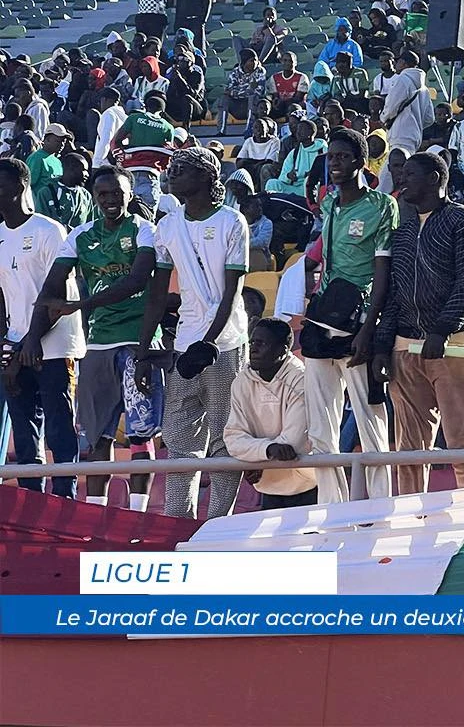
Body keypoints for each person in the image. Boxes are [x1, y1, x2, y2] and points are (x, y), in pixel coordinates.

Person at [134, 147, 249, 519]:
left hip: (225, 345)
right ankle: (177, 525)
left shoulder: (233, 221)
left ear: (205, 177)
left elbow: (232, 291)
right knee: (179, 441)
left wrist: (210, 342)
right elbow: (157, 291)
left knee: (223, 439)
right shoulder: (167, 226)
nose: (171, 174)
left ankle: (218, 525)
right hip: (185, 345)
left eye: (181, 169)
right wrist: (143, 348)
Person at [40, 166, 162, 509]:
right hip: (98, 343)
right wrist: (41, 317)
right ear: (94, 197)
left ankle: (137, 515)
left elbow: (137, 280)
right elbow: (52, 284)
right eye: (103, 194)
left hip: (138, 340)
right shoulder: (79, 235)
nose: (110, 200)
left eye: (117, 193)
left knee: (141, 434)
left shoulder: (143, 229)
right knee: (97, 437)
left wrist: (79, 303)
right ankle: (96, 513)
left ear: (129, 195)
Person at [371, 150, 464, 494]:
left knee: (462, 442)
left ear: (435, 178)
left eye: (409, 174)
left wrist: (441, 329)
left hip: (455, 345)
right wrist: (382, 347)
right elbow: (392, 296)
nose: (401, 180)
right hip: (405, 349)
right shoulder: (403, 232)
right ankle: (409, 519)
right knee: (409, 450)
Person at [302, 129, 397, 504]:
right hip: (322, 318)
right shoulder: (329, 205)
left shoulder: (380, 206)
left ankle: (380, 507)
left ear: (360, 161)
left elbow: (382, 272)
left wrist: (368, 328)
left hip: (357, 325)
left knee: (371, 422)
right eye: (331, 157)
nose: (334, 164)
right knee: (321, 427)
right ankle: (331, 508)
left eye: (342, 157)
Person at [0, 157, 85, 498]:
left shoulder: (49, 231)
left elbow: (58, 296)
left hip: (54, 346)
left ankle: (65, 500)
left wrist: (30, 342)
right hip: (16, 347)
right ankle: (31, 502)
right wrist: (7, 346)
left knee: (59, 428)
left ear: (20, 188)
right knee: (24, 432)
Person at [224, 317, 316, 509]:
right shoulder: (241, 382)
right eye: (252, 343)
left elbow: (294, 443)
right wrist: (267, 450)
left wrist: (256, 458)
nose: (254, 349)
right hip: (267, 486)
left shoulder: (301, 380)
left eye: (262, 343)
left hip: (307, 485)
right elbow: (233, 438)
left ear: (283, 350)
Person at [265, 118, 324, 198]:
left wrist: (314, 174)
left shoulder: (322, 149)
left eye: (302, 129)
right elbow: (283, 176)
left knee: (309, 180)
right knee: (272, 183)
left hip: (314, 189)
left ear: (311, 132)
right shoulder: (294, 152)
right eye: (297, 129)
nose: (298, 132)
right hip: (295, 188)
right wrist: (289, 176)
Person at [35, 151, 91, 229]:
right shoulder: (46, 193)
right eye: (84, 170)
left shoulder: (86, 195)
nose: (87, 175)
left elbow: (90, 225)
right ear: (70, 168)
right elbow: (40, 224)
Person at [25, 122, 70, 203]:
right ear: (47, 140)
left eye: (63, 141)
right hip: (39, 206)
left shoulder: (57, 161)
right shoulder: (37, 158)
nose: (61, 144)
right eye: (58, 141)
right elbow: (28, 185)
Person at [92, 87, 126, 168]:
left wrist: (96, 163)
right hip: (121, 163)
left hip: (106, 164)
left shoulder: (109, 114)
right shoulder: (124, 117)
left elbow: (106, 140)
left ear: (104, 99)